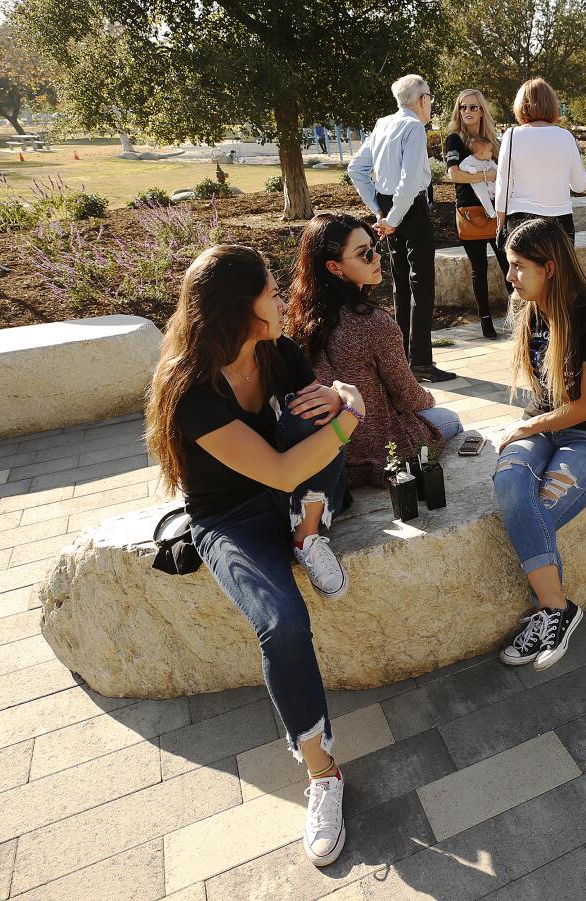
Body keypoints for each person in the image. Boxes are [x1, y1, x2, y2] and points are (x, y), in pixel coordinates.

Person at [146, 244, 366, 868]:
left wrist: (339, 397)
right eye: (269, 290)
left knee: (316, 413)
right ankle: (322, 774)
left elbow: (315, 420)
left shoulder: (278, 351)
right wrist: (352, 415)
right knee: (282, 624)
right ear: (237, 311)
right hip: (232, 520)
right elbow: (275, 468)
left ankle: (309, 531)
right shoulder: (191, 390)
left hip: (297, 498)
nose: (281, 296)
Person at [493, 217, 586, 672]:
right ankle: (558, 610)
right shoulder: (529, 309)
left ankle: (550, 612)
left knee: (536, 512)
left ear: (549, 267)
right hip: (541, 428)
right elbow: (542, 397)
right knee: (511, 487)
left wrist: (526, 429)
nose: (508, 277)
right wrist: (530, 430)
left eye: (517, 267)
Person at [285, 213, 463, 487]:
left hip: (329, 451)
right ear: (334, 267)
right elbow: (409, 398)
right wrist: (429, 399)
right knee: (451, 419)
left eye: (375, 247)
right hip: (383, 451)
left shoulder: (298, 321)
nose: (377, 258)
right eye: (364, 254)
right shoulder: (373, 323)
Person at [348, 74, 456, 382]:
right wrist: (392, 218)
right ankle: (419, 361)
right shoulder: (413, 127)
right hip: (408, 208)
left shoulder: (383, 124)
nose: (431, 104)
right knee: (421, 284)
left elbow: (356, 168)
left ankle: (404, 360)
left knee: (401, 283)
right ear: (422, 100)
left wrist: (380, 210)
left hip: (389, 206)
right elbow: (409, 181)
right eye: (430, 97)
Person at [444, 89, 508, 340]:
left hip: (497, 212)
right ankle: (485, 321)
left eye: (473, 107)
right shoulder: (454, 140)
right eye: (463, 107)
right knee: (478, 268)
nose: (467, 112)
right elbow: (454, 175)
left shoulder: (492, 140)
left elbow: (503, 172)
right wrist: (484, 176)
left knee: (507, 261)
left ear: (482, 110)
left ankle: (524, 314)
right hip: (470, 212)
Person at [494, 78, 586, 248]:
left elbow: (503, 184)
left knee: (525, 274)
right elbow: (579, 185)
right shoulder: (566, 137)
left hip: (521, 221)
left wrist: (500, 221)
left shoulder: (512, 135)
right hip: (560, 221)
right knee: (558, 273)